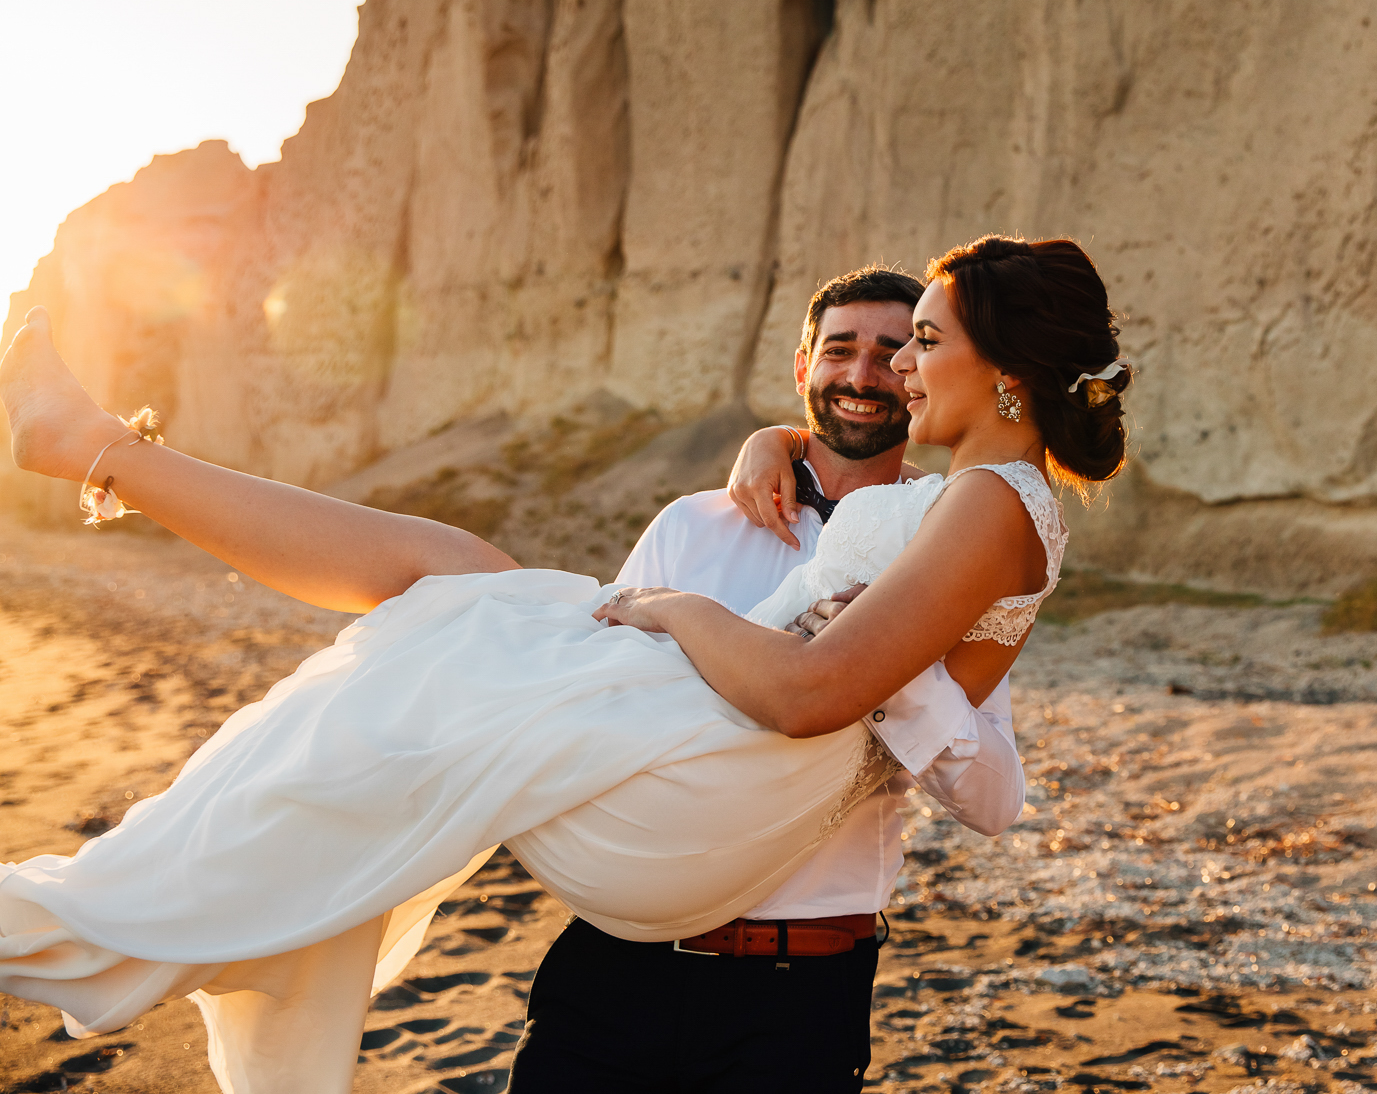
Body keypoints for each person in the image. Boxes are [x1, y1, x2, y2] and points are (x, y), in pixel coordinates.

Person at [0, 235, 1134, 1094]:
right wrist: (774, 447)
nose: (893, 368)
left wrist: (676, 609)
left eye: (919, 342)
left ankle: (98, 453)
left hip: (751, 834)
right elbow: (868, 553)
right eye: (862, 348)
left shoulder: (988, 501)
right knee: (448, 580)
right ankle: (99, 450)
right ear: (802, 370)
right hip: (660, 898)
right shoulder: (957, 498)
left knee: (447, 600)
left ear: (1006, 370)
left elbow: (810, 692)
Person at [511, 265, 1029, 1092]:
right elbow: (600, 715)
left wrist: (892, 673)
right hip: (616, 966)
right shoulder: (690, 525)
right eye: (838, 351)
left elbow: (995, 801)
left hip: (798, 995)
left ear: (918, 374)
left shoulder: (950, 552)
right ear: (801, 369)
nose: (861, 375)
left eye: (892, 351)